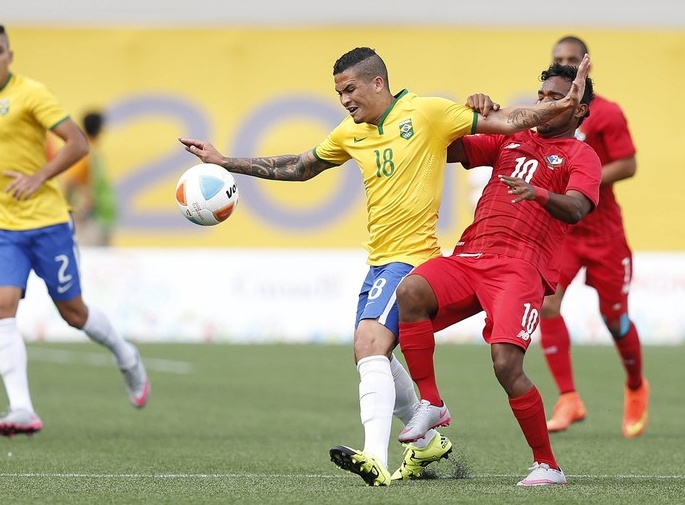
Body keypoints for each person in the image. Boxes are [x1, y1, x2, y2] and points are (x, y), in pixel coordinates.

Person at [180, 47, 590, 486]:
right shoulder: (349, 133)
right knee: (370, 348)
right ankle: (425, 429)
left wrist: (551, 111)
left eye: (350, 89)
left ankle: (378, 455)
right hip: (388, 258)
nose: (344, 100)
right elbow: (300, 167)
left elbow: (511, 124)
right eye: (338, 93)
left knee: (377, 344)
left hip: (421, 257)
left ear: (378, 83)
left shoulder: (428, 112)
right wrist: (226, 162)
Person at [0, 22, 149, 437]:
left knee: (74, 313)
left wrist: (39, 176)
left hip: (47, 223)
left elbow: (77, 143)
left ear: (10, 56)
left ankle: (126, 355)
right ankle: (21, 409)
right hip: (0, 226)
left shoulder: (31, 93)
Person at [395, 62, 599, 486]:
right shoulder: (512, 138)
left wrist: (540, 193)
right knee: (411, 291)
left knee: (506, 364)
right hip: (471, 257)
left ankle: (548, 465)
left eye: (557, 98)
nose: (545, 103)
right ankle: (431, 402)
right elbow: (444, 148)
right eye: (542, 96)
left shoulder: (582, 155)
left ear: (578, 111)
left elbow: (578, 208)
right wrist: (471, 113)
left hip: (521, 268)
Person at [539, 36, 647, 438]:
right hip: (564, 232)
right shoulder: (546, 112)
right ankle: (569, 397)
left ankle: (636, 386)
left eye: (572, 60)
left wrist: (583, 182)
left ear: (585, 66)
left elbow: (629, 164)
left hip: (604, 233)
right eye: (558, 60)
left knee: (615, 319)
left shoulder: (605, 113)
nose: (565, 66)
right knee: (547, 304)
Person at [63, 111, 118, 247]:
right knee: (92, 259)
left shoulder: (92, 149)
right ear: (99, 128)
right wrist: (76, 208)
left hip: (101, 216)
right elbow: (70, 182)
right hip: (92, 218)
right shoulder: (85, 150)